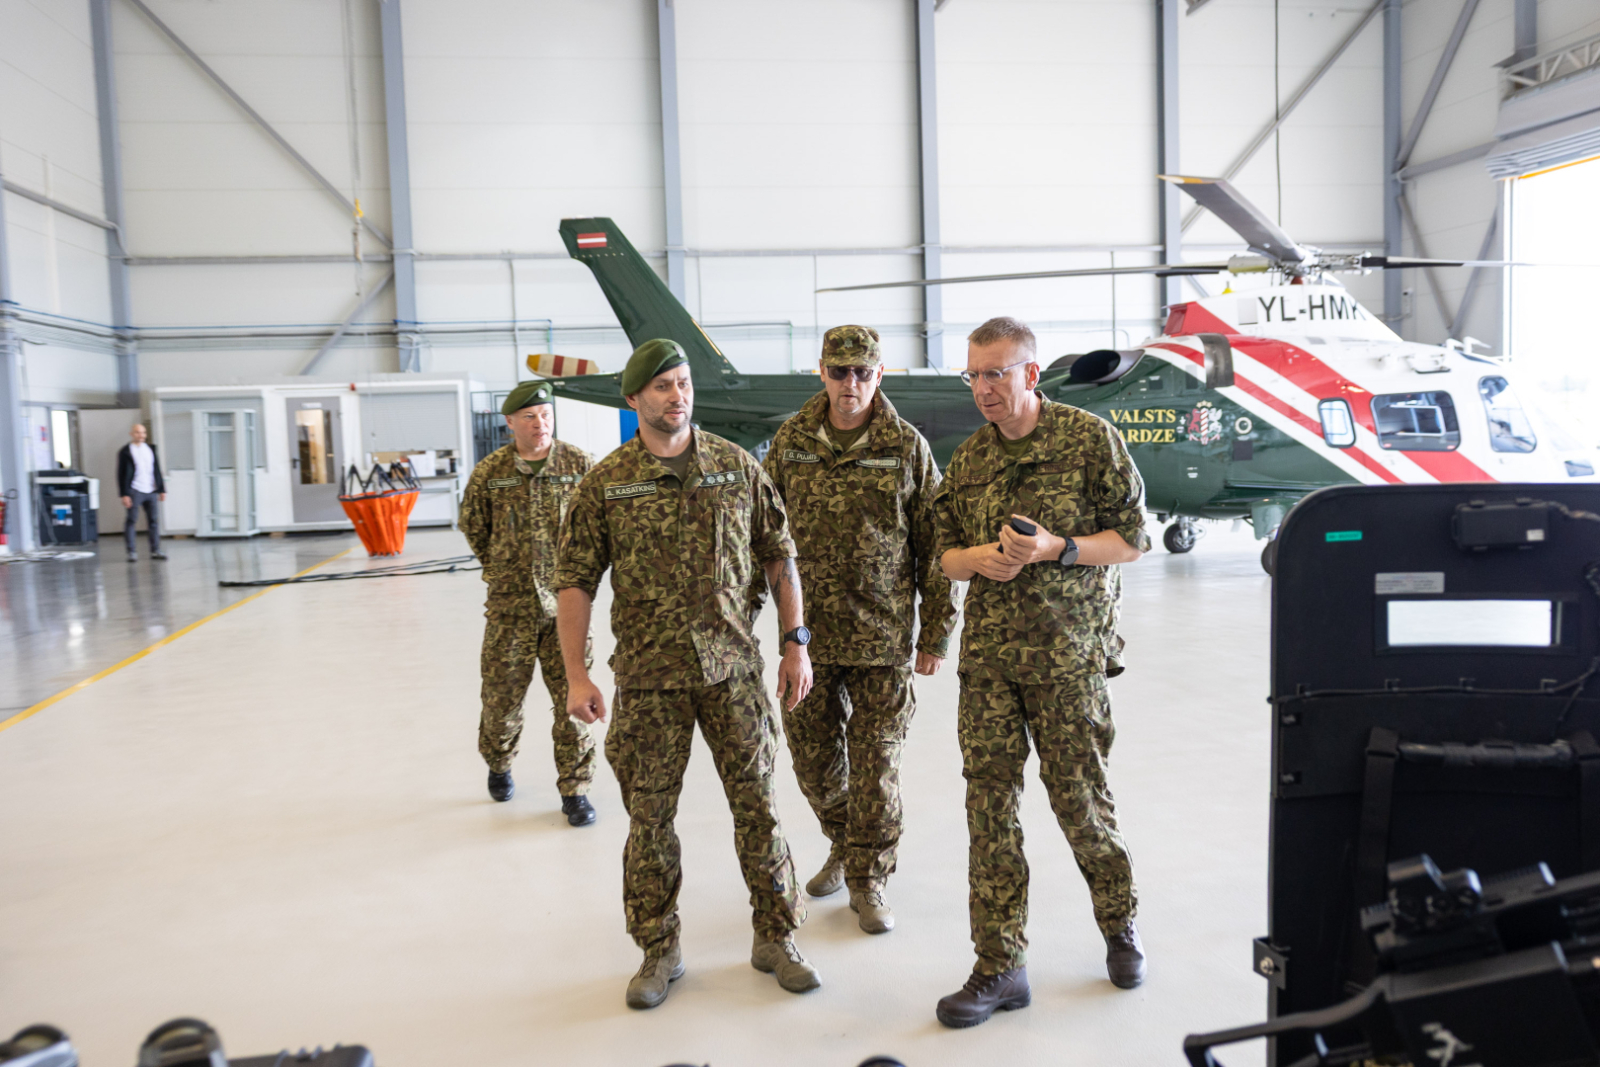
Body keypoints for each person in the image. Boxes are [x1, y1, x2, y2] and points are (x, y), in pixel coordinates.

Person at [556, 338, 820, 1010]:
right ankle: (658, 949)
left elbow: (780, 556)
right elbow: (575, 584)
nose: (679, 395)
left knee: (759, 806)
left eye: (684, 382)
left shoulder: (737, 467)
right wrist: (575, 678)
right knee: (649, 819)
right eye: (664, 386)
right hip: (648, 678)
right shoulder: (607, 482)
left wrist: (796, 644)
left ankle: (777, 934)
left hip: (733, 672)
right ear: (634, 398)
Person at [930, 316, 1150, 1029]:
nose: (984, 388)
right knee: (988, 810)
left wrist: (1058, 548)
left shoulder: (1089, 440)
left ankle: (1119, 926)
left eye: (996, 373)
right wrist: (974, 561)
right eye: (974, 375)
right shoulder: (967, 461)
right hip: (990, 663)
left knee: (1080, 802)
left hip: (1066, 660)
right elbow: (942, 552)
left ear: (1030, 373)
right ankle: (1000, 965)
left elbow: (1132, 540)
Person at [762, 324, 957, 935]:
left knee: (876, 767)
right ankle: (846, 844)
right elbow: (764, 537)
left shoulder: (905, 445)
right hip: (808, 638)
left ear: (880, 375)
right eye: (839, 371)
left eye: (863, 372)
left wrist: (935, 635)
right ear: (821, 371)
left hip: (884, 638)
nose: (851, 384)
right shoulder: (790, 442)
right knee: (814, 762)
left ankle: (869, 879)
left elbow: (935, 545)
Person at [459, 380, 598, 826]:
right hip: (509, 611)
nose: (540, 424)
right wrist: (502, 568)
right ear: (510, 423)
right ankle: (499, 762)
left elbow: (599, 527)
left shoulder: (579, 465)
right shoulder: (491, 472)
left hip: (567, 612)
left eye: (545, 415)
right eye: (529, 417)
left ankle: (576, 790)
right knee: (501, 702)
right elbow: (474, 526)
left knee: (574, 704)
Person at [118, 423, 166, 562]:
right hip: (134, 490)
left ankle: (155, 550)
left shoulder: (151, 449)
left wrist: (161, 489)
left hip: (151, 490)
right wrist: (124, 494)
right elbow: (121, 474)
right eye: (138, 432)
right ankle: (131, 552)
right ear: (132, 434)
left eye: (143, 433)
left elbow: (156, 469)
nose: (142, 435)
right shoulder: (125, 451)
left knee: (153, 521)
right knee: (132, 520)